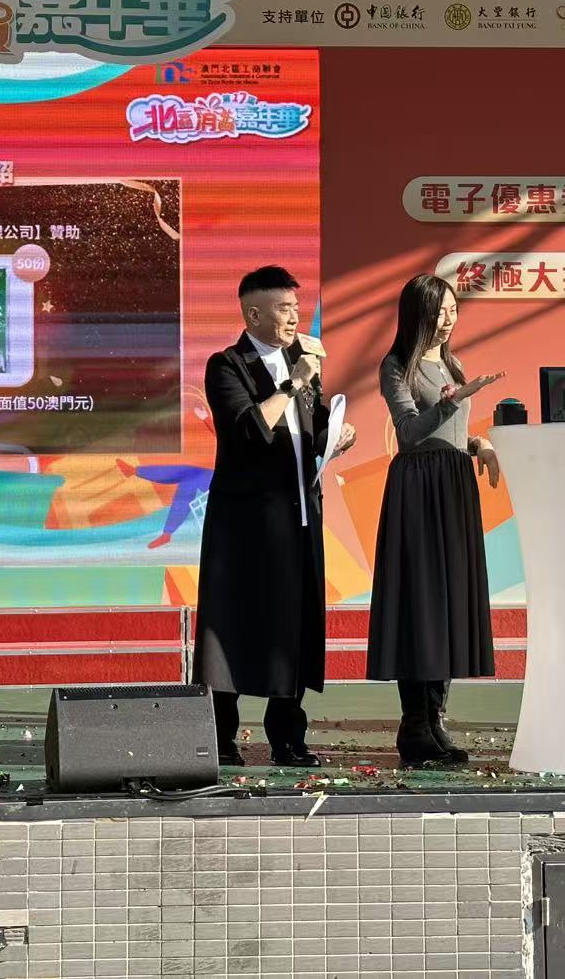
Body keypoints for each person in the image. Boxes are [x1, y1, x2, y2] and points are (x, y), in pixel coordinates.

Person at [193, 267, 356, 767]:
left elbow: (312, 426)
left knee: (294, 624)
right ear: (253, 314)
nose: (293, 317)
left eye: (296, 307)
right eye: (283, 308)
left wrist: (336, 435)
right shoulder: (227, 365)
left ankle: (287, 737)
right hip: (244, 525)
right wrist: (293, 382)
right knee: (233, 625)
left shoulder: (300, 365)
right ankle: (221, 739)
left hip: (298, 516)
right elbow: (248, 430)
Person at [367, 274, 504, 768]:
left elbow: (451, 432)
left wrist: (479, 444)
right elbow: (408, 432)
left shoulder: (452, 362)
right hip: (418, 489)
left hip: (453, 486)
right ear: (417, 313)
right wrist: (452, 398)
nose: (449, 320)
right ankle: (414, 727)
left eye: (453, 310)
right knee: (420, 604)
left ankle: (436, 720)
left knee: (446, 604)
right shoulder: (396, 365)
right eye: (439, 311)